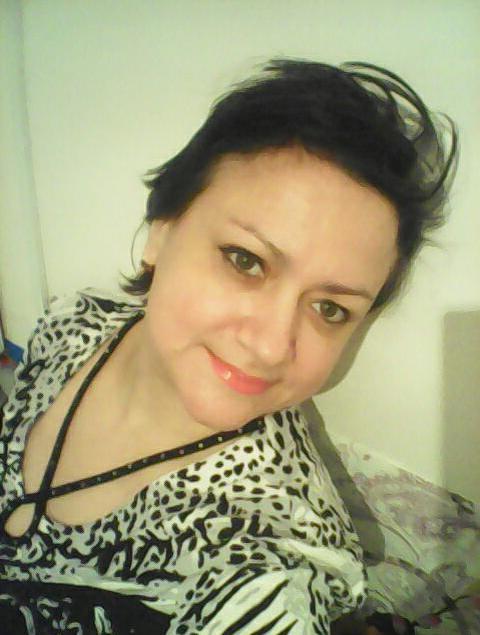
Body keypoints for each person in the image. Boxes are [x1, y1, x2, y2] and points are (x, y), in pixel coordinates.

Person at [0, 59, 457, 634]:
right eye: (246, 260)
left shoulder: (265, 571)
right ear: (162, 230)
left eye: (329, 309)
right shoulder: (75, 321)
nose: (270, 346)